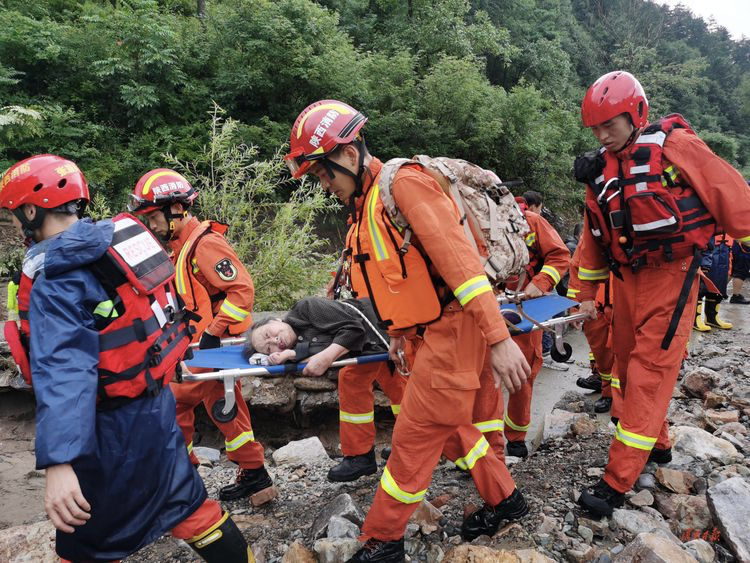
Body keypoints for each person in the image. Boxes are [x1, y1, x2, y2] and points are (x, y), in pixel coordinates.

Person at [285, 100, 531, 561]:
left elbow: (462, 268)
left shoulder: (406, 185)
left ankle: (383, 539)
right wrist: (398, 332)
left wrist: (498, 339)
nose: (325, 186)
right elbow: (392, 279)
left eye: (324, 174)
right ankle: (506, 500)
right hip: (422, 333)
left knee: (413, 437)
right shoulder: (365, 203)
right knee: (452, 427)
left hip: (454, 327)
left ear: (349, 155)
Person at [0, 155, 252, 562]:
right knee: (192, 509)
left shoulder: (57, 278)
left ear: (31, 210)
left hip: (109, 433)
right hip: (157, 411)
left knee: (86, 542)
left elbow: (66, 373)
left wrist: (60, 463)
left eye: (13, 215)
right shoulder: (118, 243)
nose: (13, 224)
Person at [572, 71, 750, 518]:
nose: (601, 134)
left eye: (608, 123)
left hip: (674, 274)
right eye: (594, 127)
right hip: (626, 279)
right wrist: (585, 293)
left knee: (650, 372)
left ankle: (617, 480)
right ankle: (659, 447)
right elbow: (593, 240)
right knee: (627, 369)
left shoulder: (675, 148)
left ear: (636, 114)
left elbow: (735, 200)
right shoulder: (601, 170)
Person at [129, 169, 276, 505]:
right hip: (199, 348)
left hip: (212, 347)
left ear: (176, 210)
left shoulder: (204, 244)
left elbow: (242, 292)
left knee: (176, 402)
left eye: (153, 217)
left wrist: (213, 332)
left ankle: (183, 477)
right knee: (224, 406)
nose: (150, 226)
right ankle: (252, 473)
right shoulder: (180, 248)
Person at [243, 296, 407, 482]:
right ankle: (360, 456)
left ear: (276, 319)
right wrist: (292, 354)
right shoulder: (294, 346)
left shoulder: (307, 308)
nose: (274, 341)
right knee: (352, 380)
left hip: (392, 333)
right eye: (269, 348)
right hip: (374, 348)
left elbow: (354, 330)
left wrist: (325, 357)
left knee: (404, 388)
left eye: (268, 334)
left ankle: (416, 444)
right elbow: (318, 345)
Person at [503, 200, 571, 458]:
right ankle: (482, 445)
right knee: (481, 379)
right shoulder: (470, 221)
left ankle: (516, 439)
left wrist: (540, 282)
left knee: (523, 373)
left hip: (526, 306)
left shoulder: (530, 222)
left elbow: (560, 255)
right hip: (485, 304)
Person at [568, 247, 614, 414]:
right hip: (596, 308)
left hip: (623, 306)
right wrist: (574, 307)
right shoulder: (590, 237)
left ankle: (615, 393)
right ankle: (607, 390)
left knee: (623, 355)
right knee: (600, 353)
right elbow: (576, 270)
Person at [693, 234, 733, 331]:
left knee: (718, 284)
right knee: (702, 284)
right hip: (709, 241)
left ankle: (712, 318)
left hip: (724, 245)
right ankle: (695, 319)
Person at [729, 239, 750, 303]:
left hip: (737, 242)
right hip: (744, 245)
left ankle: (719, 292)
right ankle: (736, 296)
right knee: (741, 271)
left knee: (732, 271)